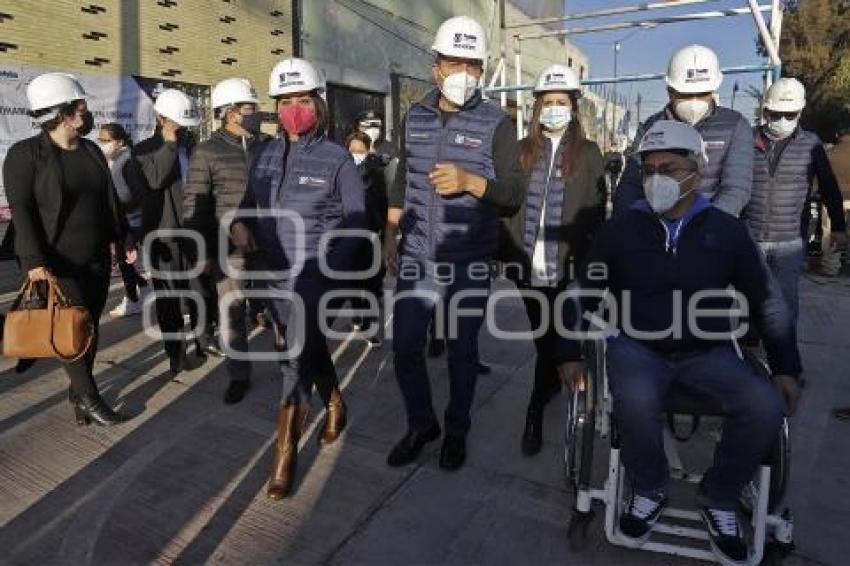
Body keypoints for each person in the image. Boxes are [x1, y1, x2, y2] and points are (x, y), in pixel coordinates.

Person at [558, 120, 801, 565]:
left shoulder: (726, 232)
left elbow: (768, 302)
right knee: (631, 398)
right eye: (648, 170)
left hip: (708, 352)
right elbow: (581, 291)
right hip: (638, 347)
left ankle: (719, 496)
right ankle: (649, 488)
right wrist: (568, 352)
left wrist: (786, 366)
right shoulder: (623, 229)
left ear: (696, 171)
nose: (656, 180)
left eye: (668, 169)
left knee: (765, 405)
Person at [384, 16, 525, 471]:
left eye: (473, 64)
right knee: (405, 345)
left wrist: (470, 181)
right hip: (417, 257)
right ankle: (421, 423)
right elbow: (403, 177)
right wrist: (390, 233)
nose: (463, 72)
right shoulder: (416, 115)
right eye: (453, 62)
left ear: (482, 71)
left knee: (463, 352)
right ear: (436, 67)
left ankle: (457, 429)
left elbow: (512, 194)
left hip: (468, 260)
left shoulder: (497, 123)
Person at [232, 57, 366, 499]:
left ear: (318, 105)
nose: (294, 109)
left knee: (293, 358)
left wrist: (330, 271)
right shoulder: (267, 153)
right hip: (272, 272)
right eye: (286, 101)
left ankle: (284, 455)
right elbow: (250, 202)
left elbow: (356, 220)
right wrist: (240, 225)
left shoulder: (337, 158)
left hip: (314, 275)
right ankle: (335, 404)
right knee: (307, 350)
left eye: (302, 100)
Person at [3, 72, 134, 425]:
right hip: (56, 262)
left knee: (89, 326)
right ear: (62, 113)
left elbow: (109, 203)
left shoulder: (91, 149)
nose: (86, 113)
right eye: (80, 107)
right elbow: (22, 212)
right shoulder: (24, 156)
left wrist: (125, 240)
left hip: (95, 258)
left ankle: (78, 393)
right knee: (71, 327)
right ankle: (89, 397)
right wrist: (33, 261)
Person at [500, 64, 606, 456]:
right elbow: (509, 206)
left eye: (562, 102)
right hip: (528, 267)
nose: (555, 109)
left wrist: (590, 269)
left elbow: (595, 215)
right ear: (537, 107)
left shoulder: (590, 154)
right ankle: (546, 387)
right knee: (543, 337)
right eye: (548, 102)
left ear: (574, 107)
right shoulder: (522, 151)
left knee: (551, 344)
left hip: (567, 270)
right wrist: (505, 254)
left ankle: (534, 409)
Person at [182, 78, 271, 404]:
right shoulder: (208, 151)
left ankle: (291, 361)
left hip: (270, 244)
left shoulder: (268, 145)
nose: (256, 113)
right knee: (232, 313)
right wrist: (202, 251)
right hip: (228, 248)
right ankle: (239, 376)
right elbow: (195, 201)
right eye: (250, 108)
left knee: (280, 307)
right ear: (230, 113)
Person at [743, 78, 848, 353]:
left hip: (789, 242)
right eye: (775, 114)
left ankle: (785, 363)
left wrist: (838, 226)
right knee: (750, 301)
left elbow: (828, 187)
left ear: (799, 114)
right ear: (765, 111)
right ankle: (750, 358)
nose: (781, 120)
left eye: (788, 115)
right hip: (751, 238)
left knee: (785, 302)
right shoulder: (747, 140)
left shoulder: (811, 145)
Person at [123, 88, 209, 375]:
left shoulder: (192, 145)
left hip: (193, 231)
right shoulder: (143, 151)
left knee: (199, 290)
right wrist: (169, 143)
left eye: (184, 125)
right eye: (176, 124)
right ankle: (176, 352)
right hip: (163, 237)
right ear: (161, 118)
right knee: (169, 298)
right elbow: (156, 179)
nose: (182, 129)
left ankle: (203, 340)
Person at [613, 45, 754, 218]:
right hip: (658, 230)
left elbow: (736, 189)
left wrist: (705, 227)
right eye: (685, 94)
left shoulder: (735, 126)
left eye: (702, 94)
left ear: (714, 90)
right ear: (670, 92)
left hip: (709, 233)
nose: (694, 102)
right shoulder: (651, 128)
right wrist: (632, 225)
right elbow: (631, 186)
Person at [97, 123, 150, 317]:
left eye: (106, 140)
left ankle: (133, 301)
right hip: (120, 219)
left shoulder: (127, 160)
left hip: (130, 221)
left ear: (119, 141)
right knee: (123, 260)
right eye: (100, 140)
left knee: (124, 261)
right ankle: (142, 284)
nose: (102, 144)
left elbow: (136, 194)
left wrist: (117, 203)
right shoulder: (112, 159)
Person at [346, 130, 387, 345]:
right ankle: (357, 314)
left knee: (372, 280)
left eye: (360, 150)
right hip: (348, 233)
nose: (356, 154)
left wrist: (384, 226)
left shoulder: (377, 170)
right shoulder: (342, 169)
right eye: (352, 150)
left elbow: (383, 200)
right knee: (353, 280)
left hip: (372, 232)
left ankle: (370, 325)